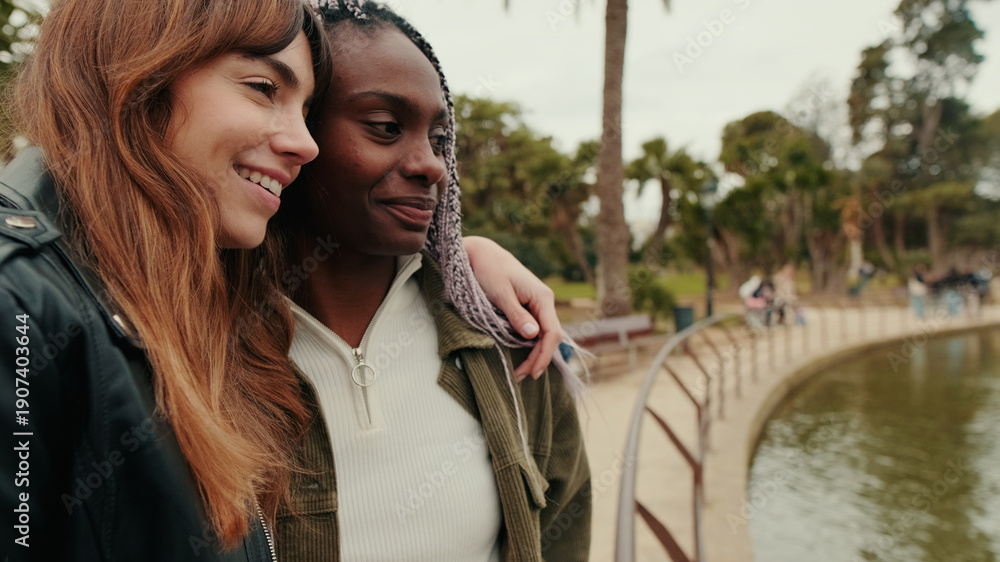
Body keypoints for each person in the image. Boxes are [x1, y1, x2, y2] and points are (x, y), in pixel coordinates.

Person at [0, 0, 568, 559]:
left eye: (442, 142)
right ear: (141, 72)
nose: (303, 142)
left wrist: (461, 259)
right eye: (265, 89)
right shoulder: (46, 307)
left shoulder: (496, 334)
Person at [272, 2, 591, 560]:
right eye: (386, 128)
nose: (432, 164)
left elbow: (566, 525)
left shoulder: (507, 342)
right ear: (296, 130)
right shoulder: (195, 351)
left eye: (439, 137)